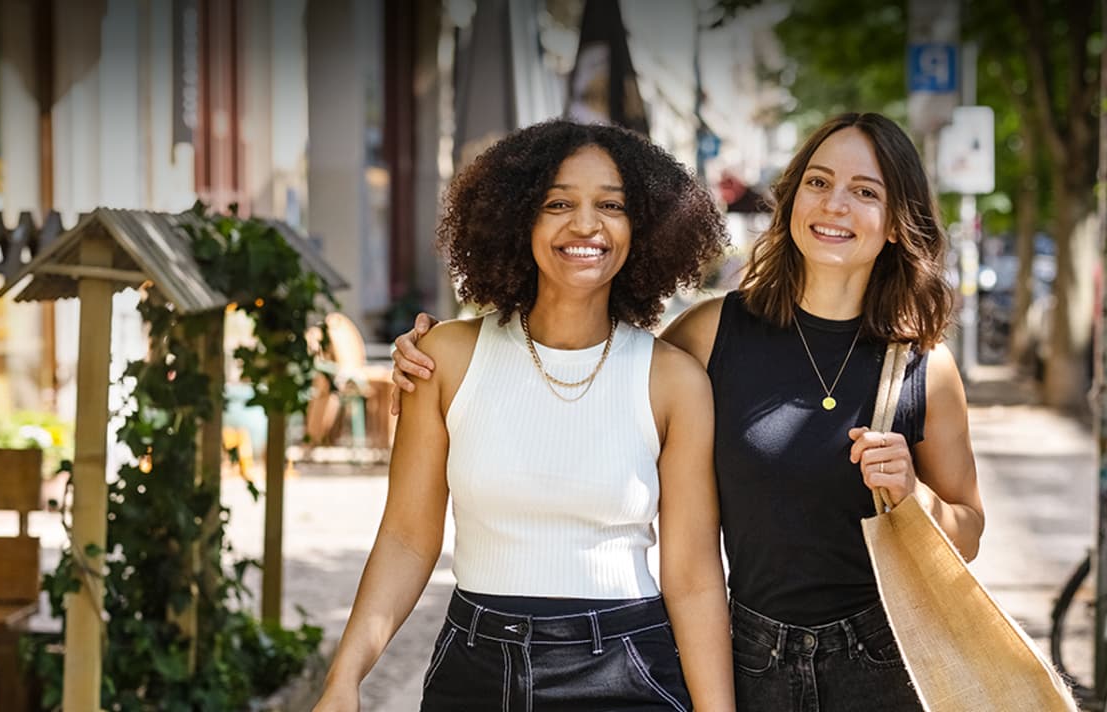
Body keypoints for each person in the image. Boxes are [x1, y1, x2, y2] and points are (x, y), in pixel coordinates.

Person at [388, 112, 985, 712]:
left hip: (884, 662)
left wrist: (916, 495)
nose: (834, 206)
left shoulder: (922, 368)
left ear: (895, 224)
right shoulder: (711, 333)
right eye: (818, 182)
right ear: (792, 198)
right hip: (750, 658)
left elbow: (970, 531)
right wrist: (435, 360)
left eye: (865, 192)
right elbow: (596, 369)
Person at [314, 119, 735, 712]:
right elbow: (408, 538)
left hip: (626, 666)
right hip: (477, 665)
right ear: (516, 219)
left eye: (610, 205)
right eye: (557, 203)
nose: (585, 224)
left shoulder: (674, 381)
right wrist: (344, 678)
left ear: (642, 225)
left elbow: (692, 578)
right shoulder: (446, 359)